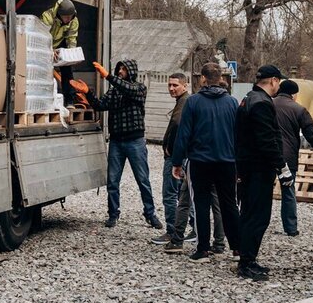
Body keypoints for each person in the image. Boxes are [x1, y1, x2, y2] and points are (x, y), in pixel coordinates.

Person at [170, 62, 238, 259]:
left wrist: (177, 161)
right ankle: (237, 247)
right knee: (229, 204)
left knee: (201, 204)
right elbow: (238, 134)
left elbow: (184, 134)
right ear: (221, 78)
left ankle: (203, 248)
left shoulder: (193, 102)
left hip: (200, 160)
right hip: (227, 160)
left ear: (203, 79)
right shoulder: (232, 102)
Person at [84, 59, 161, 229]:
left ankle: (150, 214)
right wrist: (87, 92)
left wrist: (108, 76)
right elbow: (100, 105)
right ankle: (113, 214)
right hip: (117, 142)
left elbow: (127, 89)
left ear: (131, 72)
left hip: (135, 141)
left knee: (143, 180)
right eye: (119, 69)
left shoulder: (139, 88)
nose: (120, 71)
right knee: (112, 181)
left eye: (123, 69)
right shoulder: (114, 91)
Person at [234, 64, 292, 282]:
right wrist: (282, 167)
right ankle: (246, 262)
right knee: (257, 216)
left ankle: (248, 258)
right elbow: (267, 140)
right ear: (274, 80)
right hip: (258, 168)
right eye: (279, 82)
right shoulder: (261, 104)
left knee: (249, 213)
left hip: (248, 166)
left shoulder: (249, 98)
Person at [152, 73, 196, 247]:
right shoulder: (185, 101)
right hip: (184, 154)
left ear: (184, 86)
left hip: (176, 156)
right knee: (185, 194)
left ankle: (172, 231)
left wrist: (170, 147)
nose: (171, 88)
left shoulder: (184, 101)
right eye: (169, 85)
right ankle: (194, 228)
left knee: (170, 194)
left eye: (175, 85)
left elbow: (177, 124)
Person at [273, 79, 313, 236]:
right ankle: (290, 228)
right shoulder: (299, 109)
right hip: (288, 157)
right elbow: (312, 135)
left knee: (262, 191)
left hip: (266, 155)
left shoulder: (267, 104)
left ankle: (258, 224)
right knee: (288, 191)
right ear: (294, 94)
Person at [40, 0, 78, 88]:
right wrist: (50, 50)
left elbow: (72, 38)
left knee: (67, 69)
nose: (69, 19)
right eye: (66, 17)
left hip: (59, 42)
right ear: (60, 15)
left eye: (71, 16)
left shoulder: (74, 20)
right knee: (44, 69)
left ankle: (70, 98)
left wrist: (73, 54)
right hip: (44, 45)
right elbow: (42, 37)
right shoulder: (47, 17)